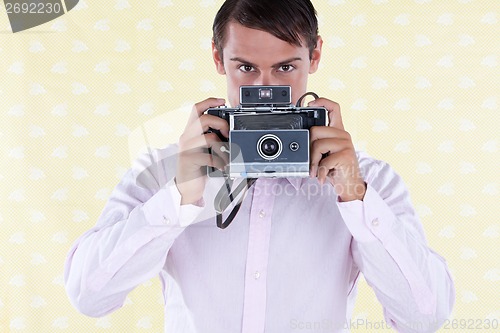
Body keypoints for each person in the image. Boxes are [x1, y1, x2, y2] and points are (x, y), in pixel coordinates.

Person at [64, 1, 455, 332]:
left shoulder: (369, 179)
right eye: (246, 68)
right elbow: (89, 296)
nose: (265, 89)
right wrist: (179, 197)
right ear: (218, 58)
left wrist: (357, 197)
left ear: (315, 56)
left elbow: (425, 316)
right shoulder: (165, 168)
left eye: (285, 68)